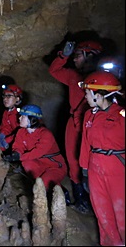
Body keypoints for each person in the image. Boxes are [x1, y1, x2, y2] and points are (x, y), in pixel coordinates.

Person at [49, 39, 103, 213]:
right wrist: (63, 55)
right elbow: (54, 70)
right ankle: (80, 198)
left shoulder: (103, 78)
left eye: (78, 55)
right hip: (74, 123)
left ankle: (97, 200)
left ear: (90, 56)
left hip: (95, 124)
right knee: (73, 159)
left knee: (94, 161)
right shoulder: (73, 76)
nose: (74, 59)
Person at [78, 71, 125, 246]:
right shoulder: (89, 115)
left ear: (98, 95)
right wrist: (84, 171)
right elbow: (84, 144)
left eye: (87, 93)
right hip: (95, 167)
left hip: (118, 168)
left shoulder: (122, 115)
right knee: (102, 213)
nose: (85, 97)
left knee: (122, 212)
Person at [3, 104, 68, 193]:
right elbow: (18, 146)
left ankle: (60, 193)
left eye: (23, 116)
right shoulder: (21, 132)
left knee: (44, 184)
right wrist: (15, 154)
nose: (19, 118)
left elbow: (37, 152)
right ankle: (45, 186)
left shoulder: (46, 134)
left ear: (32, 119)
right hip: (39, 164)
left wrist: (19, 157)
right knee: (28, 164)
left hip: (55, 166)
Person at [0, 84, 23, 153]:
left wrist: (7, 140)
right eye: (4, 96)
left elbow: (24, 133)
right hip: (13, 142)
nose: (5, 99)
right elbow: (5, 126)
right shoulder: (6, 112)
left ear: (17, 98)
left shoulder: (22, 114)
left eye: (9, 96)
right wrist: (2, 135)